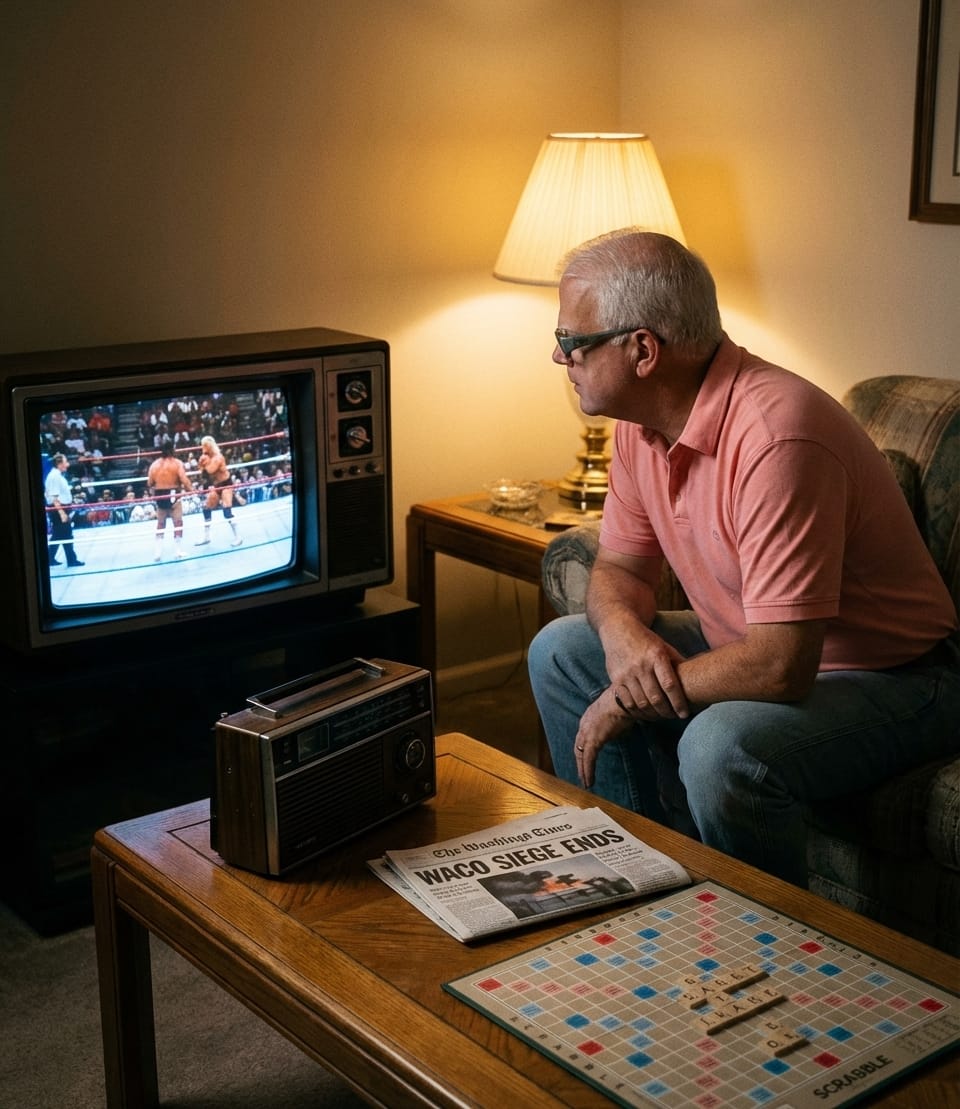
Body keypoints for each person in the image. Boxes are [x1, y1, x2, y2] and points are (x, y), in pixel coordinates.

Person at [528, 228, 960, 890]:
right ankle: (633, 891)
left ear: (643, 349)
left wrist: (629, 696)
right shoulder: (640, 426)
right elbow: (619, 570)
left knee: (719, 745)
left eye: (572, 342)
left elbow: (783, 664)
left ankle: (761, 947)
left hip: (902, 677)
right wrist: (622, 639)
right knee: (560, 650)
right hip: (754, 642)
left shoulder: (776, 436)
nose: (561, 359)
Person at [147, 443, 194, 560]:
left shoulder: (154, 465)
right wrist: (191, 490)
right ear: (172, 450)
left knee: (161, 523)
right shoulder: (177, 463)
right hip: (173, 493)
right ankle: (177, 551)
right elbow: (184, 479)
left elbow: (150, 483)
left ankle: (158, 553)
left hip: (160, 495)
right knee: (177, 522)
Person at [195, 434, 242, 547]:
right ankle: (206, 537)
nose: (202, 448)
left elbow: (210, 470)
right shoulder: (206, 457)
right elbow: (201, 474)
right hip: (216, 486)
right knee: (206, 508)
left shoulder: (218, 457)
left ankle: (238, 537)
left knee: (227, 511)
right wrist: (201, 464)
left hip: (226, 485)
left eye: (204, 446)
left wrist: (203, 463)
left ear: (209, 446)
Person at [44, 452, 84, 567]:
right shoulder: (54, 476)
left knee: (60, 534)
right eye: (66, 462)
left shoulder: (57, 475)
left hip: (60, 508)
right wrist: (62, 513)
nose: (67, 464)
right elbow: (54, 497)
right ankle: (71, 560)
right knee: (65, 534)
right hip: (58, 509)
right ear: (59, 464)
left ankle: (51, 558)